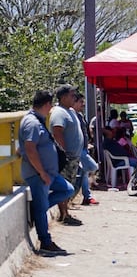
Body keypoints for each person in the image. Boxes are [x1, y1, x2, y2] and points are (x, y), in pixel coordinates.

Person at [20, 90, 73, 256]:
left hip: (48, 174)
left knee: (67, 189)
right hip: (38, 175)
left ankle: (37, 209)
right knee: (42, 207)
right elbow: (30, 148)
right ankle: (45, 242)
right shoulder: (31, 122)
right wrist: (42, 172)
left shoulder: (38, 120)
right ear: (47, 104)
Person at [49, 84, 83, 226]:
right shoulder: (59, 113)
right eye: (72, 95)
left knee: (72, 184)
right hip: (67, 157)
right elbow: (57, 132)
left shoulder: (70, 111)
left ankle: (66, 212)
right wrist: (63, 154)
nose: (74, 97)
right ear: (63, 97)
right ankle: (63, 214)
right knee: (65, 185)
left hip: (74, 156)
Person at [72, 92, 99, 206]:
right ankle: (75, 193)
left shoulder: (80, 115)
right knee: (93, 166)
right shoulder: (72, 115)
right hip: (79, 149)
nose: (83, 104)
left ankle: (86, 196)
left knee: (84, 172)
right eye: (80, 102)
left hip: (84, 147)